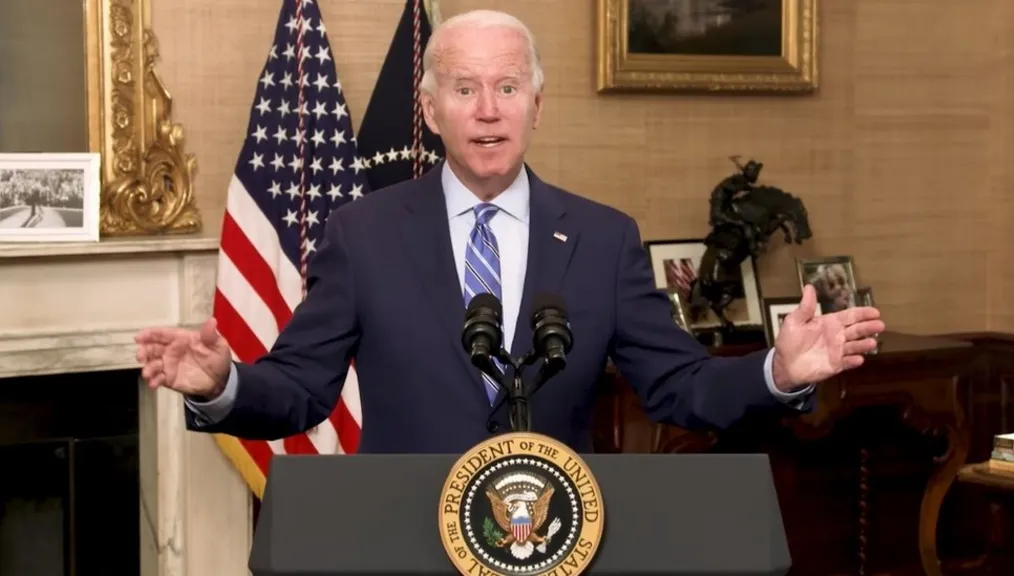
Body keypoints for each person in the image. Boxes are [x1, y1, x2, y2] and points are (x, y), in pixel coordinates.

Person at [134, 9, 884, 454]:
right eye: (464, 90)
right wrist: (222, 384)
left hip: (557, 539)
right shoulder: (361, 234)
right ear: (430, 112)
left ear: (536, 105)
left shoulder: (603, 237)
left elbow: (679, 386)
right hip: (405, 537)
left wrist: (778, 373)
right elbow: (298, 389)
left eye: (506, 87)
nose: (488, 110)